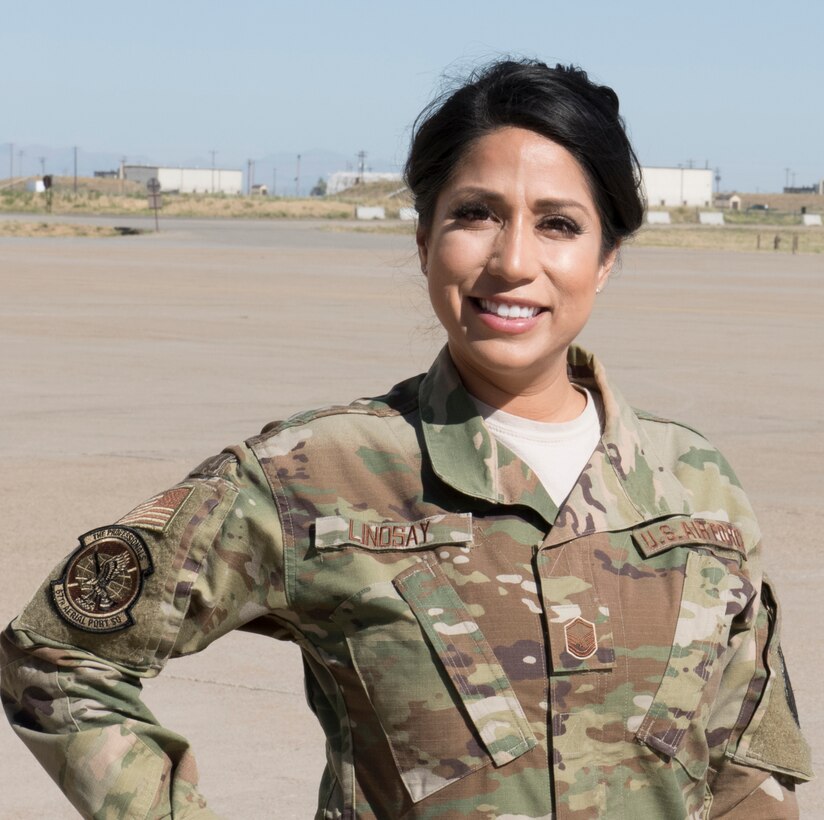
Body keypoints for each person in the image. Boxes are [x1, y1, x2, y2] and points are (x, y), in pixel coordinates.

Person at [0, 59, 812, 819]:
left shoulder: (695, 483)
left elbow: (750, 755)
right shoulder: (314, 476)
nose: (513, 261)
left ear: (605, 259)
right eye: (475, 215)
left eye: (559, 224)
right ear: (425, 241)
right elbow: (54, 654)